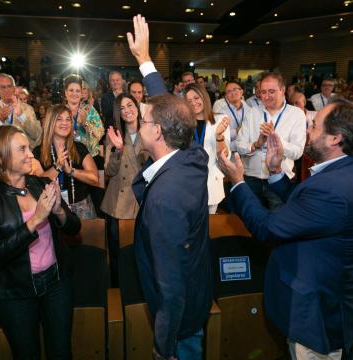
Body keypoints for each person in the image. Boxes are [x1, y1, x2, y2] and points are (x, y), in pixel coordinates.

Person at [218, 97, 353, 359]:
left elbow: (268, 227)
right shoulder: (351, 170)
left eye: (315, 126)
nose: (308, 131)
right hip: (327, 300)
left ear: (335, 139)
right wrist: (275, 172)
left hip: (317, 315)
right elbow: (309, 210)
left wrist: (237, 182)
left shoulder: (335, 187)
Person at [127, 15, 212, 360]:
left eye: (144, 119)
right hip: (197, 295)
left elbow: (170, 288)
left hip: (181, 319)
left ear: (158, 132)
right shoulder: (193, 157)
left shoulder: (165, 199)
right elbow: (168, 109)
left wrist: (164, 348)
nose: (139, 121)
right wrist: (144, 60)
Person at [0, 126, 80, 359]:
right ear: (2, 156)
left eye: (29, 148)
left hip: (56, 283)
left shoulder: (40, 184)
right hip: (15, 293)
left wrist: (60, 212)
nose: (30, 154)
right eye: (22, 149)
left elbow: (75, 228)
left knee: (61, 352)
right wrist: (36, 220)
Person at [235, 72, 307, 209]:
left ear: (283, 90)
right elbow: (239, 145)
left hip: (280, 179)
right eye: (263, 92)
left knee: (278, 222)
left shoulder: (296, 114)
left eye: (271, 91)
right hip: (251, 178)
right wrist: (257, 144)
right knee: (251, 222)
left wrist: (276, 141)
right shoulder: (252, 112)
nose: (266, 96)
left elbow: (297, 152)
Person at [102, 93, 149, 285]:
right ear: (118, 114)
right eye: (122, 108)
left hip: (144, 201)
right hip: (118, 204)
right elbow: (109, 170)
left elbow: (152, 166)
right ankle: (118, 290)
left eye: (130, 105)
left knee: (143, 252)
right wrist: (119, 150)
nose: (127, 110)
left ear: (137, 107)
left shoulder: (151, 130)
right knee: (118, 254)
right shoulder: (114, 134)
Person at [33, 104, 99, 219]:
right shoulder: (38, 152)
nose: (65, 123)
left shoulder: (79, 148)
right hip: (51, 210)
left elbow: (95, 179)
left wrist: (71, 171)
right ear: (50, 123)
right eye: (59, 119)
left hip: (81, 208)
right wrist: (57, 167)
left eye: (68, 119)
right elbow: (37, 185)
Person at [184, 83, 230, 213]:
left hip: (211, 182)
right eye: (188, 101)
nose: (193, 103)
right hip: (188, 182)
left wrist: (219, 136)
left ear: (204, 97)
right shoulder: (183, 123)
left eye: (196, 98)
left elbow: (224, 156)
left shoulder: (221, 120)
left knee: (210, 226)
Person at [0, 73, 42, 149]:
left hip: (25, 153)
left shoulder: (27, 108)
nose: (6, 90)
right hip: (1, 154)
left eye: (9, 86)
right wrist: (0, 120)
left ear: (14, 88)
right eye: (3, 87)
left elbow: (36, 134)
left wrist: (21, 116)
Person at [62, 75, 104, 158]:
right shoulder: (59, 112)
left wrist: (85, 123)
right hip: (66, 155)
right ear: (66, 92)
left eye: (77, 91)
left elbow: (99, 134)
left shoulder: (90, 111)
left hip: (89, 156)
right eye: (71, 90)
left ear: (81, 93)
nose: (74, 93)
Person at [212, 80, 249, 152]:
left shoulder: (247, 107)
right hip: (226, 150)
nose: (232, 93)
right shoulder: (219, 105)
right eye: (228, 92)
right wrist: (236, 131)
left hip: (244, 150)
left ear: (241, 92)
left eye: (235, 90)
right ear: (225, 95)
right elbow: (216, 132)